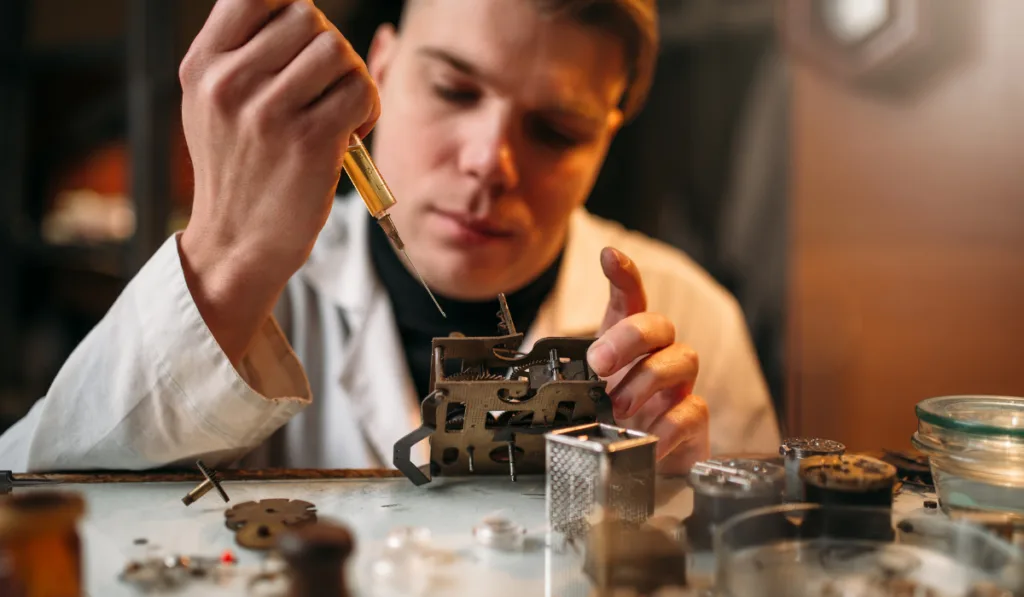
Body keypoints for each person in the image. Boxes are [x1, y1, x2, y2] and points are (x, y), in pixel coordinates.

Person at [0, 0, 779, 474]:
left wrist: (669, 502)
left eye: (555, 129)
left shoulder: (692, 323)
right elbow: (28, 501)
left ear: (609, 135)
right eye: (452, 88)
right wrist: (224, 263)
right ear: (380, 67)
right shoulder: (257, 296)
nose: (488, 163)